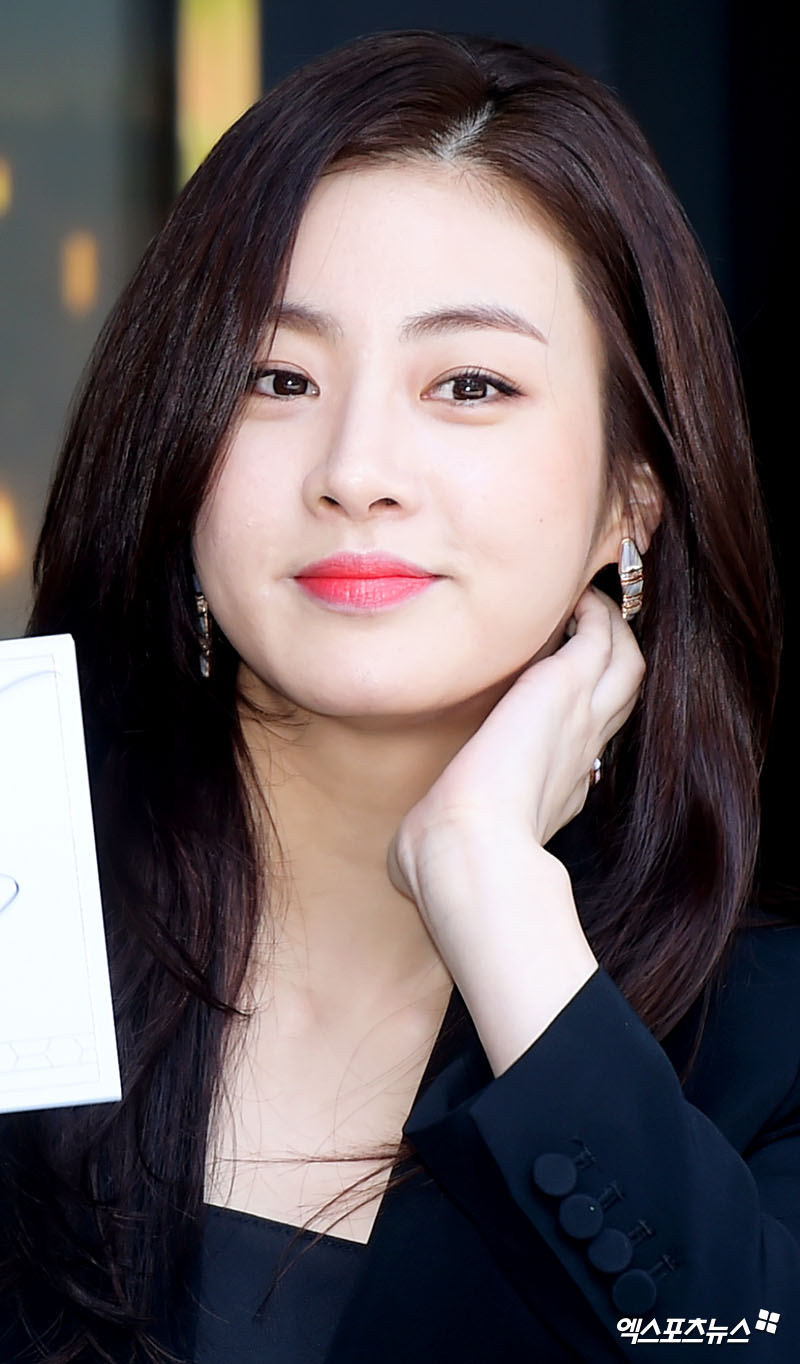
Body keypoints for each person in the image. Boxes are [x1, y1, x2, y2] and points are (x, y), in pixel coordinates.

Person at [0, 25, 797, 1364]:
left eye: (469, 385)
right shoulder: (26, 896)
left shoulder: (766, 1039)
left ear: (632, 499)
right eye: (276, 379)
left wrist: (489, 888)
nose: (356, 469)